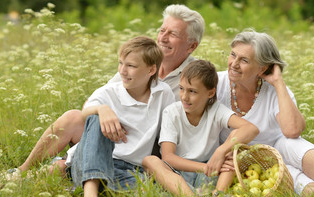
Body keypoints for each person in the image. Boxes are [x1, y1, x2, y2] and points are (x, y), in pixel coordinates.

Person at [13, 4, 205, 174]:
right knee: (73, 117)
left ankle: (66, 167)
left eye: (173, 34)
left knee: (65, 165)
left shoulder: (195, 77)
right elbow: (94, 101)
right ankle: (21, 170)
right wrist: (105, 112)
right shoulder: (137, 62)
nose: (163, 38)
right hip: (115, 134)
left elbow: (187, 129)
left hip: (146, 150)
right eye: (162, 30)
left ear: (191, 46)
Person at [66, 36, 175, 197]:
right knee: (95, 117)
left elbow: (169, 132)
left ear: (151, 70)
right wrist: (102, 110)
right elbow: (84, 114)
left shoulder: (163, 93)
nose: (122, 71)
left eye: (131, 66)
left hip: (130, 170)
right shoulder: (108, 92)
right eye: (120, 63)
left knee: (157, 192)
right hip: (94, 161)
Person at [216, 29, 314, 197]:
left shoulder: (275, 90)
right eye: (233, 55)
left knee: (292, 144)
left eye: (244, 60)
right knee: (304, 187)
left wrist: (278, 81)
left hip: (277, 149)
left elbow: (292, 131)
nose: (234, 63)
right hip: (243, 161)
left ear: (263, 68)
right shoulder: (216, 83)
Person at [142, 60, 259, 197]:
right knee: (150, 160)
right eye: (181, 88)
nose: (184, 96)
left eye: (192, 91)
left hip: (209, 176)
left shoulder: (215, 110)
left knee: (234, 147)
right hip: (178, 175)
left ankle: (218, 195)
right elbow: (168, 157)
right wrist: (204, 167)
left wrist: (221, 151)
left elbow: (251, 129)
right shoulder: (172, 112)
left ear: (210, 93)